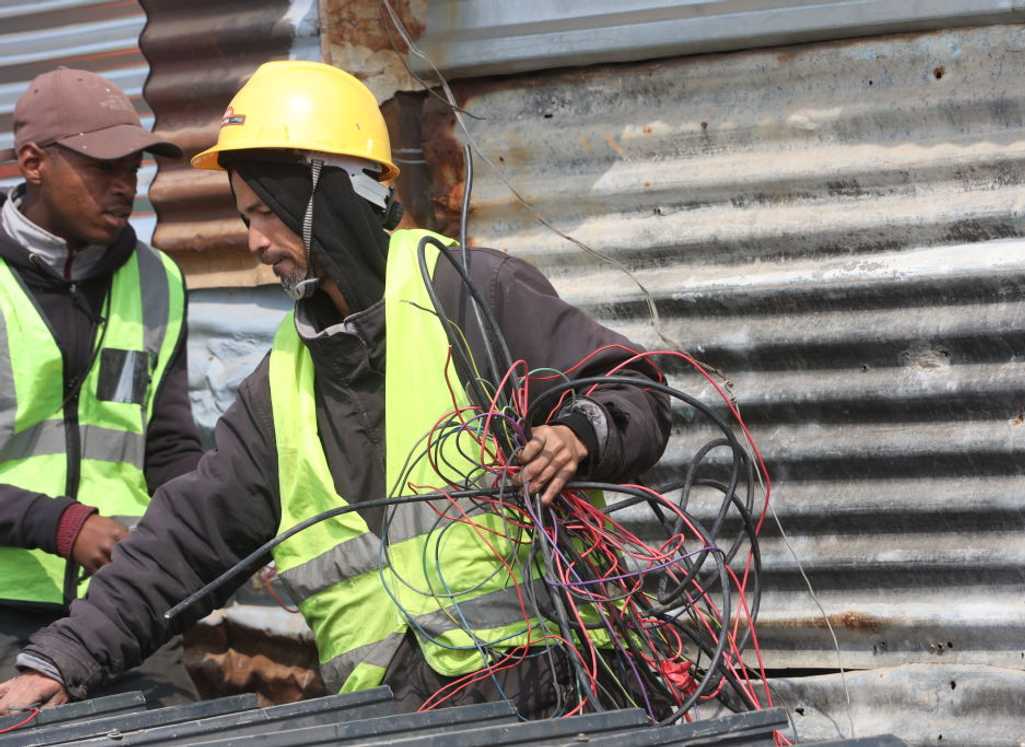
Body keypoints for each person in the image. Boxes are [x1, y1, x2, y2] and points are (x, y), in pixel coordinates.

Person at [0, 61, 669, 718]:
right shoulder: (281, 384)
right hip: (400, 718)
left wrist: (580, 432)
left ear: (325, 198)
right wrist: (62, 659)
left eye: (267, 213)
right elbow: (187, 536)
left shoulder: (469, 292)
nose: (255, 242)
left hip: (560, 698)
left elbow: (630, 386)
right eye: (245, 219)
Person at [0, 68, 201, 706]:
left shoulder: (158, 279)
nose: (125, 186)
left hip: (123, 605)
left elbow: (169, 445)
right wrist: (62, 525)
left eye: (133, 169)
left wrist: (210, 523)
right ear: (33, 163)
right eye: (102, 167)